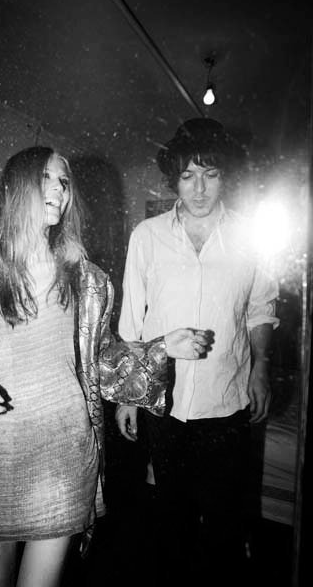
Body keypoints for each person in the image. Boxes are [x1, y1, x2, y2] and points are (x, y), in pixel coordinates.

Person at [0, 145, 210, 587]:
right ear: (14, 187)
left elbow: (102, 362)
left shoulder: (87, 280)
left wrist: (161, 349)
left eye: (64, 182)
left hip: (63, 455)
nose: (59, 190)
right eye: (45, 177)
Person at [116, 118, 279, 586]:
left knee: (225, 522)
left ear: (226, 176)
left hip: (227, 401)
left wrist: (262, 367)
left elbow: (261, 309)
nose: (200, 188)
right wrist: (129, 395)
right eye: (188, 175)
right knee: (170, 517)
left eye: (210, 174)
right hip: (164, 404)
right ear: (175, 179)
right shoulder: (146, 236)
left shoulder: (250, 236)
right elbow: (131, 321)